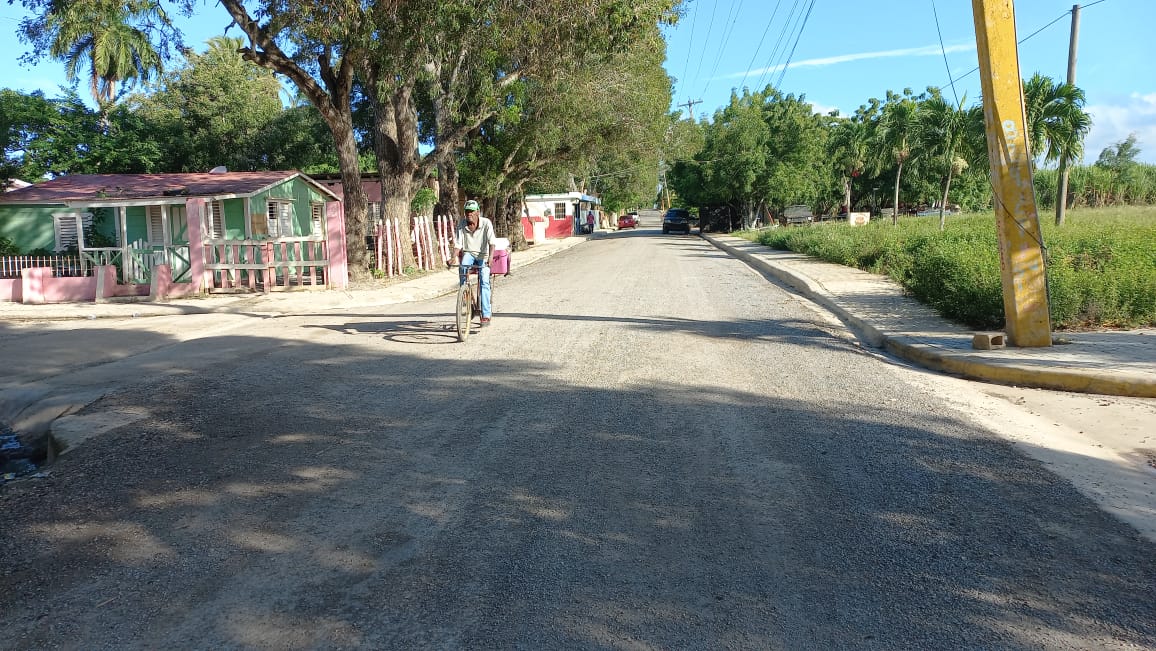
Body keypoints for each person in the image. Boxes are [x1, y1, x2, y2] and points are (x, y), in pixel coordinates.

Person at [449, 199, 496, 325]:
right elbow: (458, 244)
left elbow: (492, 243)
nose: (469, 214)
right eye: (467, 211)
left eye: (471, 211)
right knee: (463, 268)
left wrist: (490, 258)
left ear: (477, 212)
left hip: (483, 255)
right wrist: (453, 257)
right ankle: (466, 297)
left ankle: (486, 314)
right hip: (469, 253)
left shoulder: (486, 223)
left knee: (484, 281)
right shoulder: (462, 224)